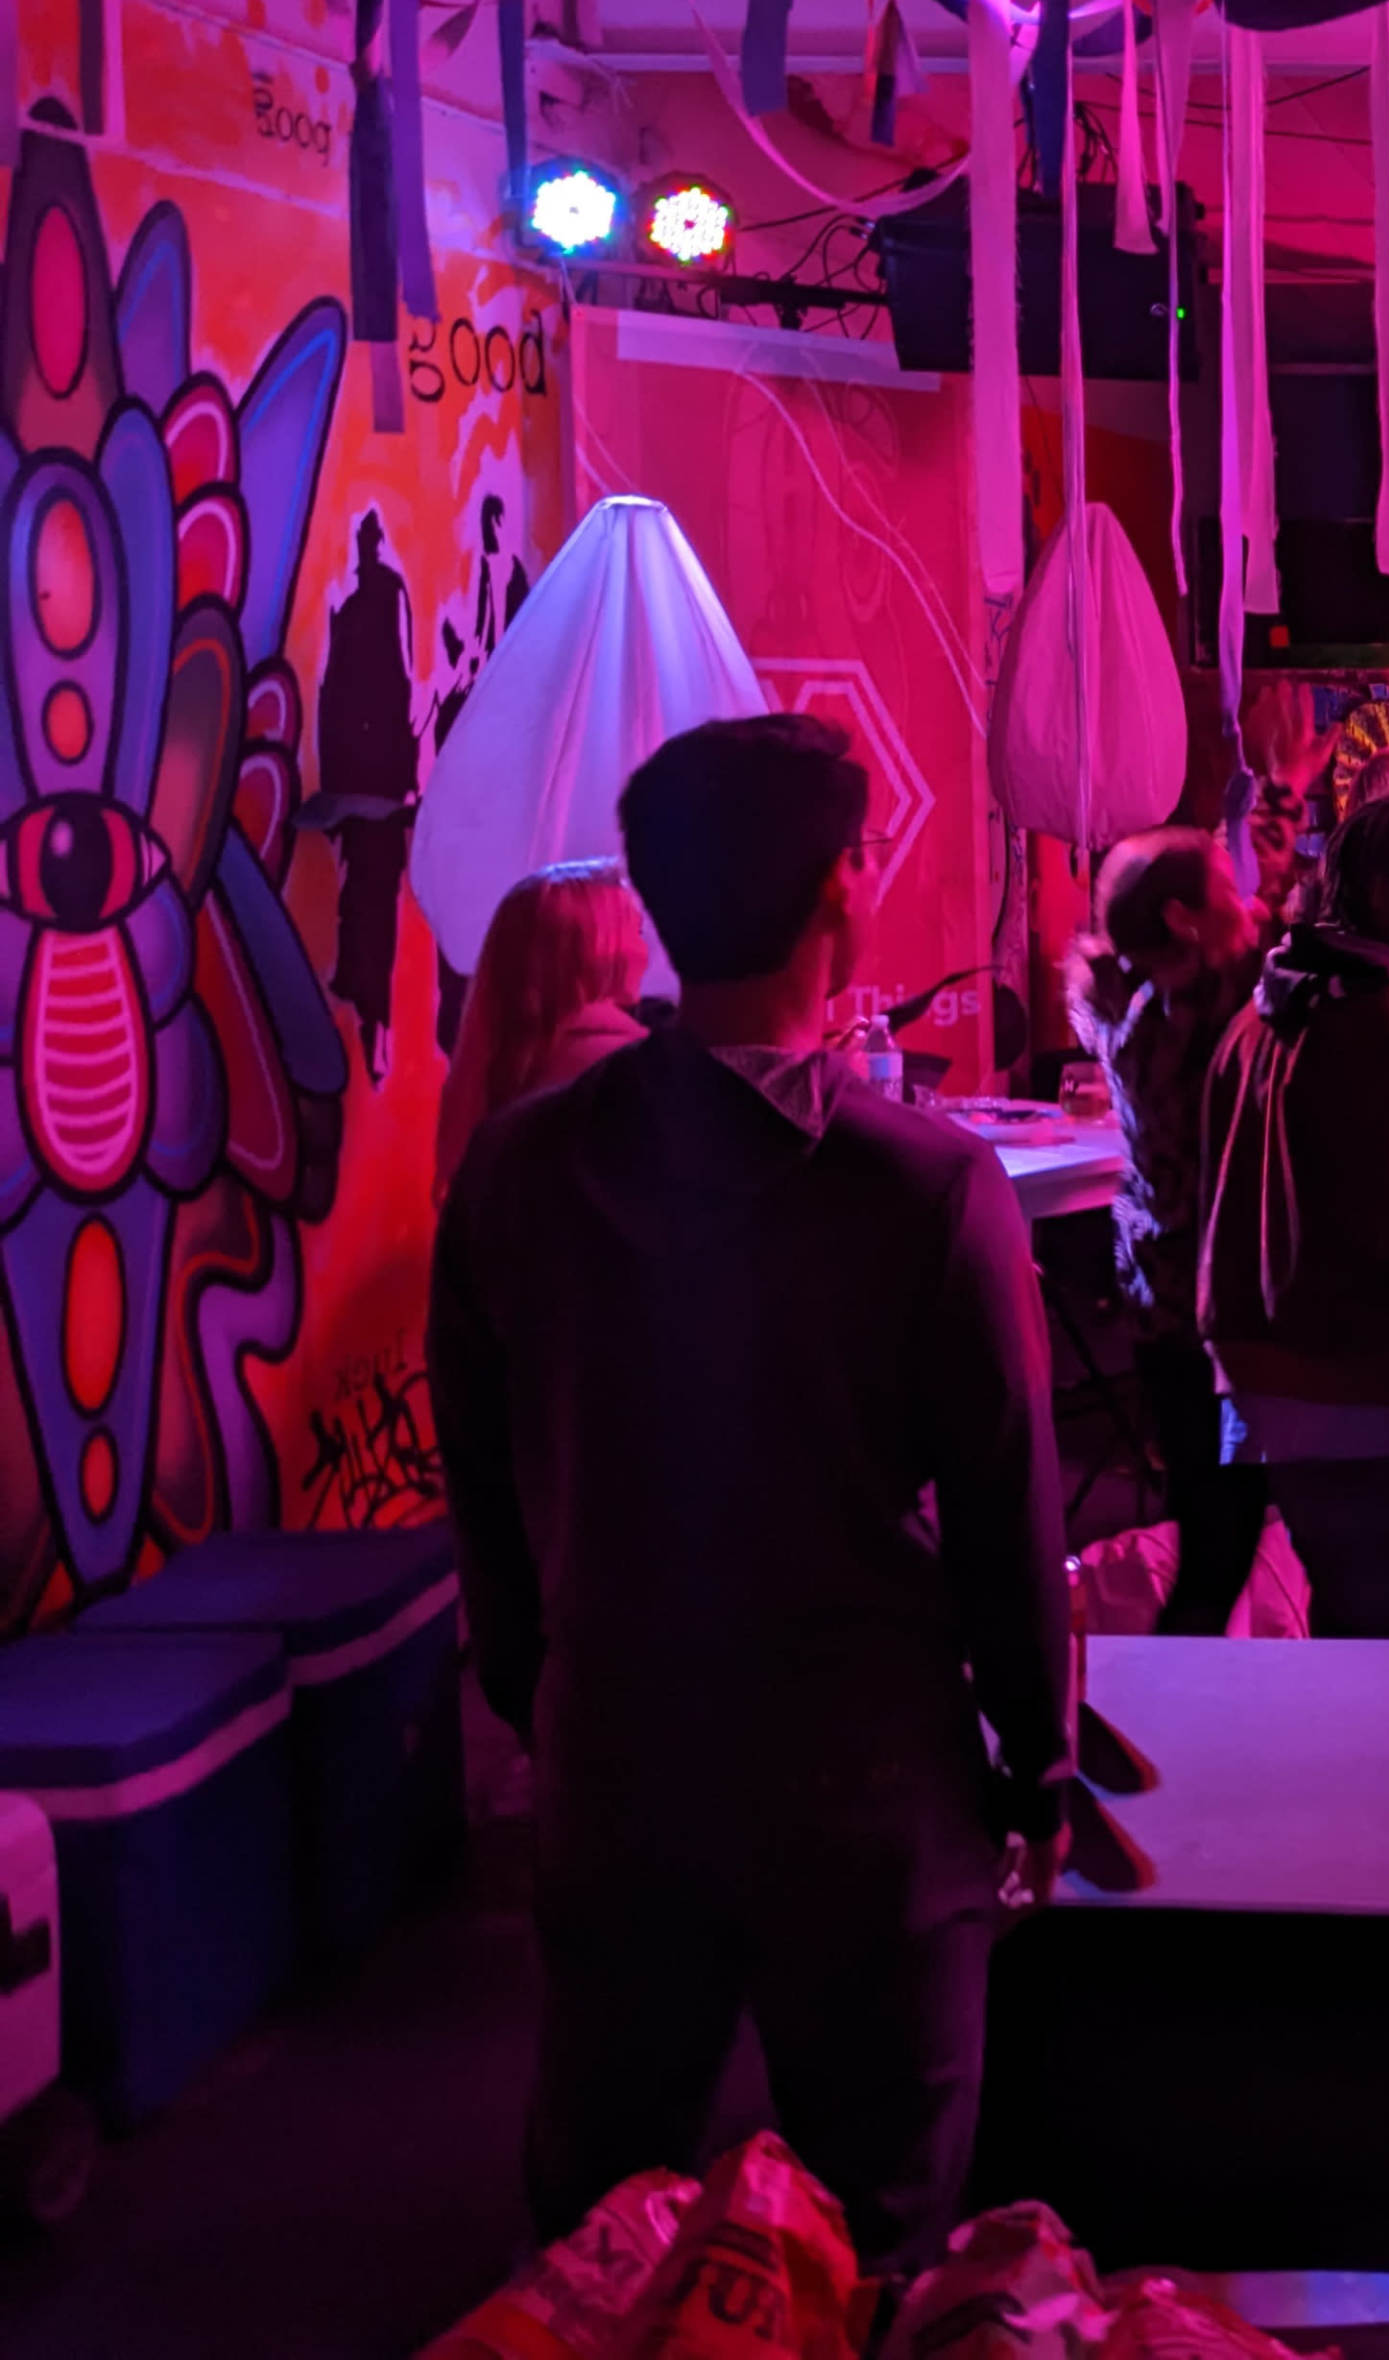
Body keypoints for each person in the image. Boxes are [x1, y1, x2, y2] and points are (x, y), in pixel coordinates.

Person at [429, 715, 1068, 2274]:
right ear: (844, 889)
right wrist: (1036, 1756)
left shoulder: (515, 1168)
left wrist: (551, 1691)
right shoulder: (926, 1188)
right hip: (868, 1790)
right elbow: (1007, 1515)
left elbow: (486, 1488)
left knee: (599, 2222)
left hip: (618, 1761)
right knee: (884, 2218)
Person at [1209, 793, 1389, 1639]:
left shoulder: (1261, 1012)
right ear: (1384, 890)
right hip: (1385, 1403)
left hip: (1267, 1397)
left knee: (1350, 1670)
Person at [1068, 828, 1275, 1638]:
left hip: (1170, 1301)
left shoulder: (1146, 998)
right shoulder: (1185, 1020)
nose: (1248, 898)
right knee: (1219, 1542)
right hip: (1204, 1312)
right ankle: (1178, 1715)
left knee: (1215, 1531)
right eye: (1228, 886)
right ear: (1187, 919)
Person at [434, 862, 651, 1193]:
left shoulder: (491, 1070)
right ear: (598, 949)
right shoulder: (632, 1068)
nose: (644, 953)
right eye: (636, 932)